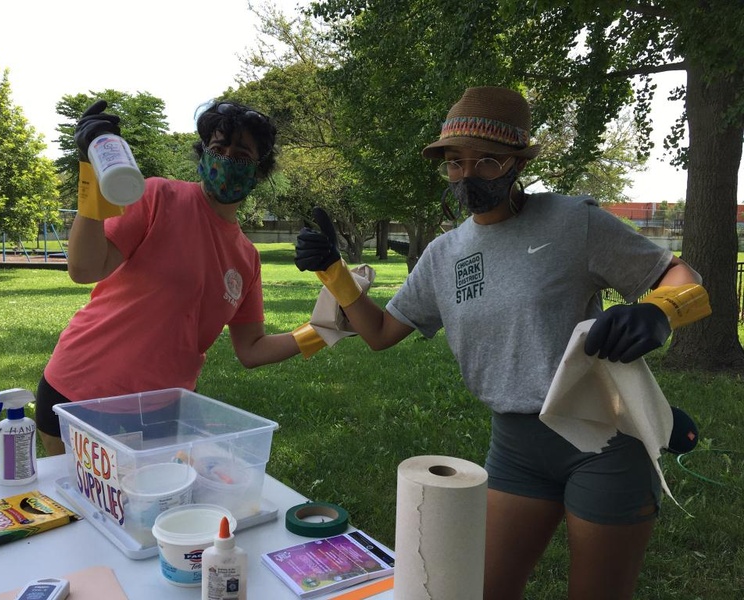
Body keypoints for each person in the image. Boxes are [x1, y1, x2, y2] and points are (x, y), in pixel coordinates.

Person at [295, 86, 711, 599]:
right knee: (481, 591)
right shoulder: (444, 254)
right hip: (517, 449)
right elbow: (379, 334)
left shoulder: (571, 222)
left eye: (486, 161)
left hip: (604, 437)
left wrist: (659, 311)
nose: (467, 175)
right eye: (454, 162)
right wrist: (334, 273)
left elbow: (675, 272)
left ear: (518, 163)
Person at [36, 99, 327, 456]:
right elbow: (85, 268)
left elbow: (251, 349)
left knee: (157, 508)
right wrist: (92, 171)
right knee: (83, 508)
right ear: (203, 153)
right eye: (218, 148)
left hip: (164, 409)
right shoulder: (159, 196)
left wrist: (321, 332)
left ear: (258, 171)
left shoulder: (247, 258)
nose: (226, 159)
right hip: (80, 392)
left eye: (241, 154)